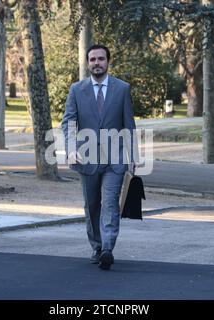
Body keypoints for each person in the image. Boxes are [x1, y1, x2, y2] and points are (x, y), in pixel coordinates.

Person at [62, 44, 138, 270]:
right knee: (92, 205)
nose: (97, 63)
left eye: (101, 59)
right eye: (93, 59)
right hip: (86, 158)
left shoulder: (122, 89)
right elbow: (69, 122)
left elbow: (129, 125)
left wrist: (133, 155)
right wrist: (71, 148)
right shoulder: (77, 90)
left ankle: (107, 248)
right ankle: (96, 246)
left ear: (108, 61)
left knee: (110, 203)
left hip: (115, 159)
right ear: (88, 63)